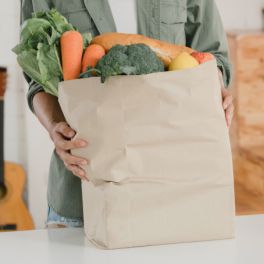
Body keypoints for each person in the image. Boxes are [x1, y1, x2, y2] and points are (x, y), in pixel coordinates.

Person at [20, 0, 234, 228]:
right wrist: (55, 126)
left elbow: (213, 57)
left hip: (176, 191)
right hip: (84, 192)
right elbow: (38, 79)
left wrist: (215, 86)